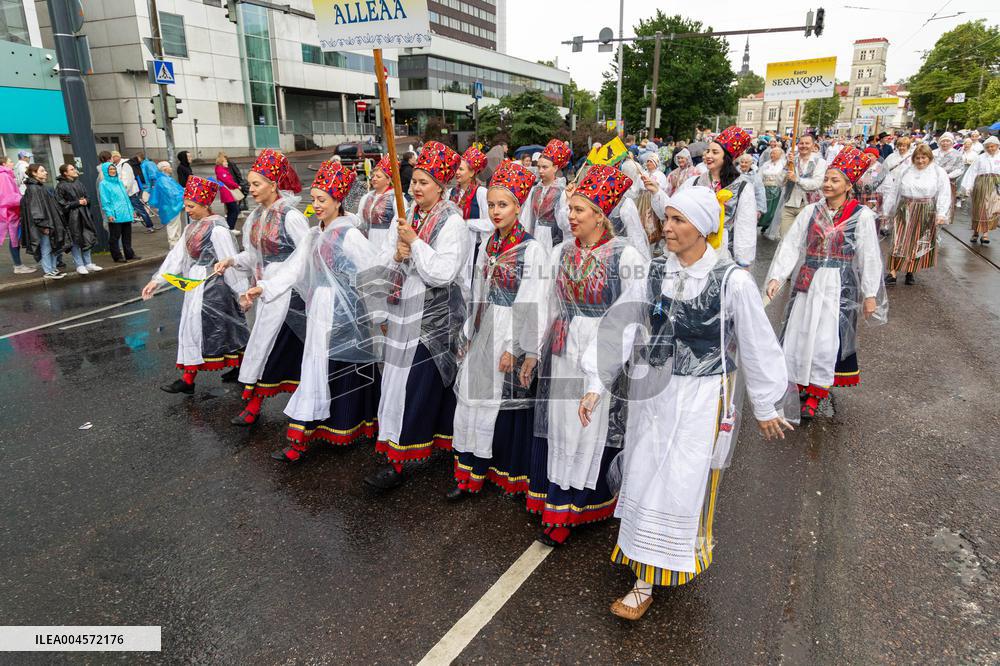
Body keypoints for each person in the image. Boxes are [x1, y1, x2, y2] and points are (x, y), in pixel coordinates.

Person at [590, 185, 791, 620]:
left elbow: (757, 343)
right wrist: (595, 379)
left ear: (702, 228)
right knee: (644, 474)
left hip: (701, 397)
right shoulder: (656, 271)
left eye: (679, 221)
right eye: (668, 219)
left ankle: (662, 568)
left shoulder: (731, 280)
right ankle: (643, 570)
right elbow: (622, 324)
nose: (669, 228)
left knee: (680, 482)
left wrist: (766, 404)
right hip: (656, 391)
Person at [529, 164, 647, 547]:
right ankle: (557, 495)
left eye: (579, 210)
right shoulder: (562, 250)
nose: (570, 216)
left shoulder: (624, 255)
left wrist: (607, 364)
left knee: (589, 423)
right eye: (569, 209)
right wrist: (533, 350)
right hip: (565, 344)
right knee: (563, 420)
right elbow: (546, 304)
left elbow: (632, 313)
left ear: (600, 214)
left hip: (602, 345)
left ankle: (578, 503)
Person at [244, 160, 383, 462]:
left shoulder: (350, 236)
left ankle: (349, 426)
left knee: (340, 367)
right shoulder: (313, 234)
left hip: (345, 314)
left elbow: (374, 275)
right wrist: (265, 287)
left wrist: (381, 316)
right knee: (316, 368)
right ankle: (304, 434)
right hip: (320, 310)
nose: (316, 205)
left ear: (338, 200)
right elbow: (294, 267)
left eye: (322, 200)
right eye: (314, 199)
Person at [364, 141, 470, 490]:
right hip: (405, 307)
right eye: (414, 181)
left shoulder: (453, 222)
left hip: (434, 316)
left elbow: (443, 272)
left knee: (418, 384)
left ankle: (401, 460)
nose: (415, 187)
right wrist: (398, 253)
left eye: (424, 182)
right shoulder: (412, 214)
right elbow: (394, 259)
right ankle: (405, 449)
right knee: (401, 381)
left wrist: (416, 243)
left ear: (441, 186)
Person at [448, 159, 546, 502]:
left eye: (503, 204)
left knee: (493, 401)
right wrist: (469, 329)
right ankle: (467, 470)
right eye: (491, 204)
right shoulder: (489, 242)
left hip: (506, 326)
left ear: (519, 206)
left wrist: (515, 346)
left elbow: (533, 299)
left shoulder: (531, 248)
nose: (495, 211)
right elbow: (476, 288)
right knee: (472, 397)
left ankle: (487, 470)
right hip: (484, 322)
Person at [766, 147, 887, 420]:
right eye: (827, 179)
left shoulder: (862, 216)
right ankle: (797, 383)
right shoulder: (811, 211)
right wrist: (777, 276)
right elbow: (791, 245)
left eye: (835, 180)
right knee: (800, 332)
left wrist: (870, 294)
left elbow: (869, 255)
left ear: (848, 185)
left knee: (826, 338)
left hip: (839, 285)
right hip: (808, 280)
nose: (828, 184)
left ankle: (816, 391)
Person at [215, 149, 311, 425]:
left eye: (257, 184)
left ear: (274, 184)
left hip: (289, 293)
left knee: (276, 348)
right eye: (250, 183)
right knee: (269, 346)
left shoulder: (290, 216)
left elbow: (305, 257)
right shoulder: (256, 216)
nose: (251, 189)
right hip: (267, 292)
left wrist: (278, 284)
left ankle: (269, 406)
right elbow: (254, 255)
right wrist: (231, 260)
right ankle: (282, 407)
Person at [141, 176, 250, 393]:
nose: (187, 210)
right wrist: (157, 280)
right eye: (186, 205)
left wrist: (242, 292)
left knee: (218, 329)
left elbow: (229, 261)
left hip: (214, 287)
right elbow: (177, 256)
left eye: (191, 206)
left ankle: (199, 377)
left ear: (204, 204)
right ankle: (200, 377)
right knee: (215, 329)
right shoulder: (192, 228)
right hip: (196, 284)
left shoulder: (218, 229)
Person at [676, 125, 759, 267]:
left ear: (726, 157)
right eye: (707, 151)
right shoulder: (695, 182)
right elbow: (676, 209)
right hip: (695, 249)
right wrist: (656, 192)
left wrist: (743, 261)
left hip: (724, 253)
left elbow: (745, 227)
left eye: (715, 152)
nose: (708, 155)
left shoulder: (743, 188)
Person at [883, 143, 951, 285]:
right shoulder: (906, 171)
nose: (920, 161)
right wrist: (886, 210)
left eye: (924, 158)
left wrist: (941, 213)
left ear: (930, 158)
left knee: (917, 241)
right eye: (918, 158)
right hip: (904, 207)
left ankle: (910, 270)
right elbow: (894, 191)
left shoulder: (938, 172)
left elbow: (944, 193)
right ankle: (892, 272)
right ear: (913, 158)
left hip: (925, 209)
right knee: (898, 239)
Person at [770, 134, 826, 240]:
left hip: (808, 206)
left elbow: (817, 184)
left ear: (814, 146)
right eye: (801, 143)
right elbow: (779, 182)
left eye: (807, 143)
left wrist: (797, 179)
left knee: (804, 240)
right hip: (789, 205)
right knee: (785, 240)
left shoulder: (820, 162)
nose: (803, 146)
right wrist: (786, 166)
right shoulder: (791, 161)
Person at [447, 145, 491, 277]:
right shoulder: (450, 193)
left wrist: (466, 223)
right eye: (457, 169)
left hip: (473, 245)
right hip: (452, 243)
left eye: (461, 169)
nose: (457, 172)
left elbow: (491, 222)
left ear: (472, 173)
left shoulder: (481, 193)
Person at [519, 139, 571, 250]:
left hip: (552, 240)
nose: (540, 171)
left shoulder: (561, 192)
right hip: (534, 237)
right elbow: (526, 217)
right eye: (538, 167)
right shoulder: (535, 190)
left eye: (545, 167)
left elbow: (565, 223)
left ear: (555, 168)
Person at [19, 164, 67, 279]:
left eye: (45, 170)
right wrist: (42, 225)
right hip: (43, 224)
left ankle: (52, 269)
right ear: (34, 173)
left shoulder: (38, 187)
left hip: (46, 223)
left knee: (50, 246)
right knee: (46, 247)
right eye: (42, 170)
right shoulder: (34, 188)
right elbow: (36, 209)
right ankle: (48, 270)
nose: (45, 172)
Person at [54, 164, 100, 275]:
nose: (75, 170)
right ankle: (79, 264)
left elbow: (87, 196)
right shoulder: (61, 186)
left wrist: (86, 201)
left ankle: (88, 263)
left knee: (87, 237)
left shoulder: (78, 183)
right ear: (65, 173)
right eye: (72, 169)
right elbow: (61, 204)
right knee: (75, 240)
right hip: (71, 218)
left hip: (84, 215)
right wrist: (77, 203)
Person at [960, 135, 1000, 245]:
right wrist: (968, 186)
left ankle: (985, 233)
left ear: (997, 146)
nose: (990, 149)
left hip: (996, 185)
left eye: (992, 146)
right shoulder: (980, 158)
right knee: (980, 209)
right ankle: (976, 232)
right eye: (988, 147)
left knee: (992, 209)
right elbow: (972, 172)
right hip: (981, 184)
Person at [100, 161, 139, 263]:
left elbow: (126, 198)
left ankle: (129, 254)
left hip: (126, 213)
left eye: (113, 169)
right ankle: (117, 256)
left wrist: (131, 210)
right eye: (110, 170)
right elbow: (105, 201)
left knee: (127, 235)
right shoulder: (104, 184)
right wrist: (109, 214)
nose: (112, 171)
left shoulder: (119, 182)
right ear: (105, 171)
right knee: (115, 237)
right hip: (115, 214)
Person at [0, 156, 33, 274]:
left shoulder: (6, 175)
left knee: (15, 239)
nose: (13, 163)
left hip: (10, 212)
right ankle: (18, 265)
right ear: (4, 164)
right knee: (14, 239)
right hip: (10, 213)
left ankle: (18, 264)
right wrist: (24, 199)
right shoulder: (4, 176)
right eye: (10, 161)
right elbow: (8, 196)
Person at [357, 155, 397, 247]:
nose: (374, 179)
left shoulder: (396, 198)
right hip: (369, 243)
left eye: (378, 176)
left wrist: (389, 248)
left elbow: (398, 225)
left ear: (388, 180)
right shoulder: (367, 197)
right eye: (373, 176)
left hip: (387, 244)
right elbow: (360, 219)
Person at [113, 151, 155, 232]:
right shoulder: (122, 164)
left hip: (130, 192)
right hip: (130, 191)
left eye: (113, 156)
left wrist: (124, 192)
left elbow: (128, 180)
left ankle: (150, 226)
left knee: (140, 209)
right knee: (138, 208)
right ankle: (147, 225)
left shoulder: (125, 165)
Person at [148, 161, 186, 248]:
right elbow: (171, 192)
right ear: (165, 168)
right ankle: (173, 244)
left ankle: (176, 243)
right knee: (173, 225)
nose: (171, 168)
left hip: (172, 205)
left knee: (176, 225)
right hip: (170, 206)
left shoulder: (164, 179)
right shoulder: (163, 180)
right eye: (169, 167)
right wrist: (181, 194)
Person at [933, 133, 964, 223]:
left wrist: (947, 176)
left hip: (949, 181)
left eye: (947, 141)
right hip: (934, 181)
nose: (945, 143)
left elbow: (960, 169)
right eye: (943, 141)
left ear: (951, 142)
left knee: (946, 200)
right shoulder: (934, 152)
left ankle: (942, 218)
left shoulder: (956, 154)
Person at [757, 144, 787, 232]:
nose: (772, 155)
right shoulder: (766, 164)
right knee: (764, 207)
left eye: (774, 153)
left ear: (780, 155)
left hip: (776, 189)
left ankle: (768, 224)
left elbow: (784, 176)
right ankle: (762, 222)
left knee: (772, 209)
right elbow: (760, 175)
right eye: (771, 153)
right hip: (765, 188)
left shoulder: (783, 164)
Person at [215, 152, 243, 230]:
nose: (227, 163)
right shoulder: (221, 171)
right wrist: (237, 186)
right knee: (234, 210)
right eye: (225, 161)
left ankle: (229, 227)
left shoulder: (222, 170)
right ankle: (230, 228)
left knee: (231, 211)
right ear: (221, 162)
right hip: (228, 194)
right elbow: (227, 181)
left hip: (227, 193)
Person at [736, 152, 767, 218]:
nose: (743, 164)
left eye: (746, 162)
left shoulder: (755, 177)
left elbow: (760, 193)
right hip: (733, 205)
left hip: (747, 207)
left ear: (750, 164)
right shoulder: (734, 173)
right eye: (742, 162)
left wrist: (759, 209)